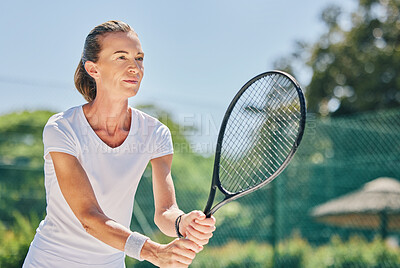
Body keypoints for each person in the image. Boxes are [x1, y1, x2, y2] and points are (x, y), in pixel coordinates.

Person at [23, 20, 216, 268]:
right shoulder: (62, 128)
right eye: (121, 57)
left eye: (139, 58)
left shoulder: (156, 133)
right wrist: (153, 252)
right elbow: (88, 217)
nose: (134, 67)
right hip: (49, 261)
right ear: (93, 69)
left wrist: (182, 223)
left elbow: (165, 211)